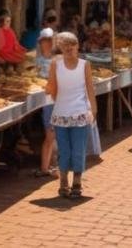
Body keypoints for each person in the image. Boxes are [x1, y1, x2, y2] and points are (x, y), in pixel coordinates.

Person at [46, 32, 97, 197]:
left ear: (77, 47)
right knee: (64, 150)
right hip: (61, 113)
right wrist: (57, 102)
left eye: (72, 45)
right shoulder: (56, 64)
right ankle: (63, 181)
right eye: (65, 45)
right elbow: (52, 88)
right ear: (60, 48)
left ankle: (77, 181)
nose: (69, 48)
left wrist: (93, 109)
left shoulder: (85, 65)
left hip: (80, 113)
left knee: (78, 149)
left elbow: (90, 88)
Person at [33, 28, 57, 177]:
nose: (46, 43)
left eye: (49, 40)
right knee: (50, 135)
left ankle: (52, 166)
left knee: (55, 135)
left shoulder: (59, 60)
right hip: (47, 102)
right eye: (44, 41)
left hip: (57, 100)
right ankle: (46, 167)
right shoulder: (35, 60)